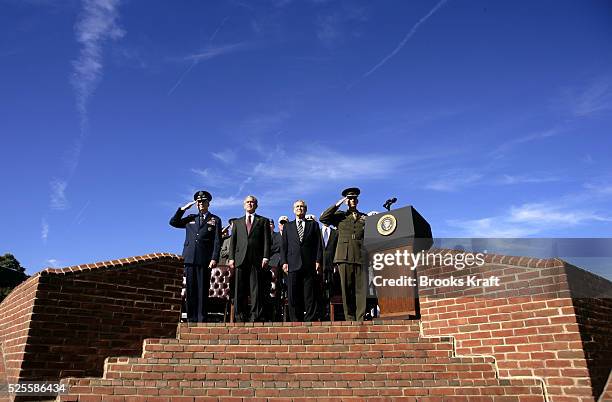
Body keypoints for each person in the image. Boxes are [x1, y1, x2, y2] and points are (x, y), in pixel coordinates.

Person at [169, 190, 222, 322]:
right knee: (191, 290)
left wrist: (214, 258)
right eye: (198, 202)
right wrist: (183, 209)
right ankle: (191, 319)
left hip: (205, 259)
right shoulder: (190, 218)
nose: (200, 204)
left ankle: (202, 318)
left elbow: (217, 241)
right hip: (190, 257)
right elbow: (173, 222)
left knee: (203, 290)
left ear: (208, 203)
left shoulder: (215, 219)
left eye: (203, 201)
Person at [319, 187, 367, 321]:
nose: (352, 200)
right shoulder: (340, 216)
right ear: (346, 201)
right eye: (349, 198)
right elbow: (323, 218)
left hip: (360, 255)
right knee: (346, 290)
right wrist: (338, 203)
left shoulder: (364, 217)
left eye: (354, 198)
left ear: (357, 201)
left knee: (361, 289)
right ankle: (350, 318)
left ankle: (360, 318)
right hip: (344, 256)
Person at [228, 195, 271, 322]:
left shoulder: (263, 221)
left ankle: (255, 316)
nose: (250, 204)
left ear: (256, 205)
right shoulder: (237, 222)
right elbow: (233, 242)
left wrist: (266, 257)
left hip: (256, 259)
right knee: (239, 289)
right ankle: (239, 316)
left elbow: (266, 241)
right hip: (240, 259)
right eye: (247, 202)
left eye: (252, 202)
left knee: (255, 289)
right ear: (244, 205)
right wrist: (231, 258)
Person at [280, 200, 322, 322]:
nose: (299, 208)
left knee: (310, 294)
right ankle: (295, 320)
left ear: (306, 209)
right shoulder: (288, 226)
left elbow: (318, 244)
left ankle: (310, 319)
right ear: (294, 210)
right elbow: (284, 246)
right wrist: (284, 262)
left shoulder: (313, 225)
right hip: (293, 263)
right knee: (293, 294)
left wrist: (318, 260)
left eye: (302, 206)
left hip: (309, 263)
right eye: (297, 206)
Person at [320, 221, 338, 320]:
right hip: (320, 265)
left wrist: (336, 264)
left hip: (332, 265)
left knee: (332, 289)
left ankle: (331, 313)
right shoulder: (317, 232)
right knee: (321, 290)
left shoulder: (335, 233)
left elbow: (337, 248)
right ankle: (322, 313)